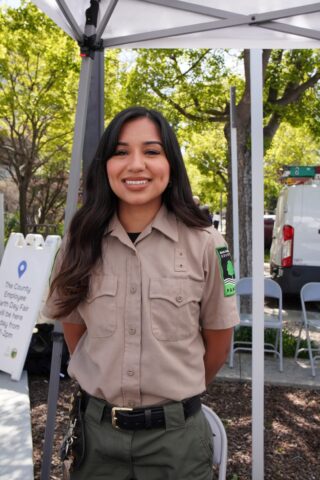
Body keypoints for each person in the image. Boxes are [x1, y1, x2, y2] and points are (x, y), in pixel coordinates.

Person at [43, 106, 239, 480]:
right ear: (105, 164)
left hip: (177, 443)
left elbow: (218, 339)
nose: (136, 165)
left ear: (171, 163)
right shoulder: (79, 241)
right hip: (96, 438)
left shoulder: (207, 244)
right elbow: (74, 330)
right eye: (121, 152)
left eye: (151, 151)